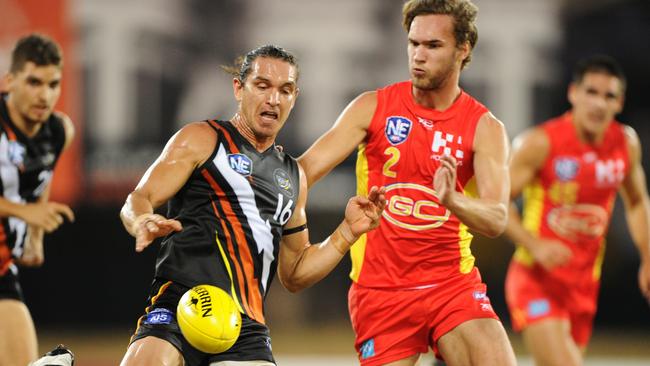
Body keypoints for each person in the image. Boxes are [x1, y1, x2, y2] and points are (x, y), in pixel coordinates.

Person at [119, 44, 386, 366]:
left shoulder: (293, 176)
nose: (273, 99)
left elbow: (295, 273)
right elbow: (139, 197)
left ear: (294, 98)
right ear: (238, 88)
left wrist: (346, 233)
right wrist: (141, 220)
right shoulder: (202, 138)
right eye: (262, 86)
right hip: (180, 304)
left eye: (285, 90)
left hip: (244, 325)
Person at [298, 1, 516, 365]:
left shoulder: (485, 128)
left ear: (463, 49)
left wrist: (453, 201)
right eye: (414, 44)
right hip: (381, 293)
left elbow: (496, 219)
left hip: (452, 285)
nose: (418, 55)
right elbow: (304, 172)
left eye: (433, 46)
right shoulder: (372, 107)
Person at [503, 55, 650, 365]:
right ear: (573, 93)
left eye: (608, 96)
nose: (598, 103)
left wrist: (648, 258)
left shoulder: (625, 144)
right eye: (591, 92)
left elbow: (637, 201)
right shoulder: (539, 143)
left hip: (584, 285)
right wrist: (534, 245)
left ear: (620, 102)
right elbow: (497, 203)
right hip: (536, 280)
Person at [0, 34, 76, 366]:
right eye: (33, 82)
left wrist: (34, 239)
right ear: (9, 81)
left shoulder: (59, 130)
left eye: (52, 84)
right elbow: (32, 207)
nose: (44, 95)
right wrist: (26, 212)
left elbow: (41, 182)